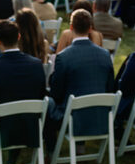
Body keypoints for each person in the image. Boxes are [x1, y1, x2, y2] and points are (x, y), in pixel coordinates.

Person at [0, 20, 46, 157]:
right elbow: (41, 95)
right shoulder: (36, 64)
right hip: (31, 126)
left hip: (3, 130)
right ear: (18, 37)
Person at [47, 8, 114, 142]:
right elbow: (110, 87)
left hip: (73, 118)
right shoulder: (105, 54)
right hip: (99, 115)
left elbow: (56, 92)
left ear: (71, 27)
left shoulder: (63, 57)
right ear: (90, 28)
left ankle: (50, 150)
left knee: (48, 103)